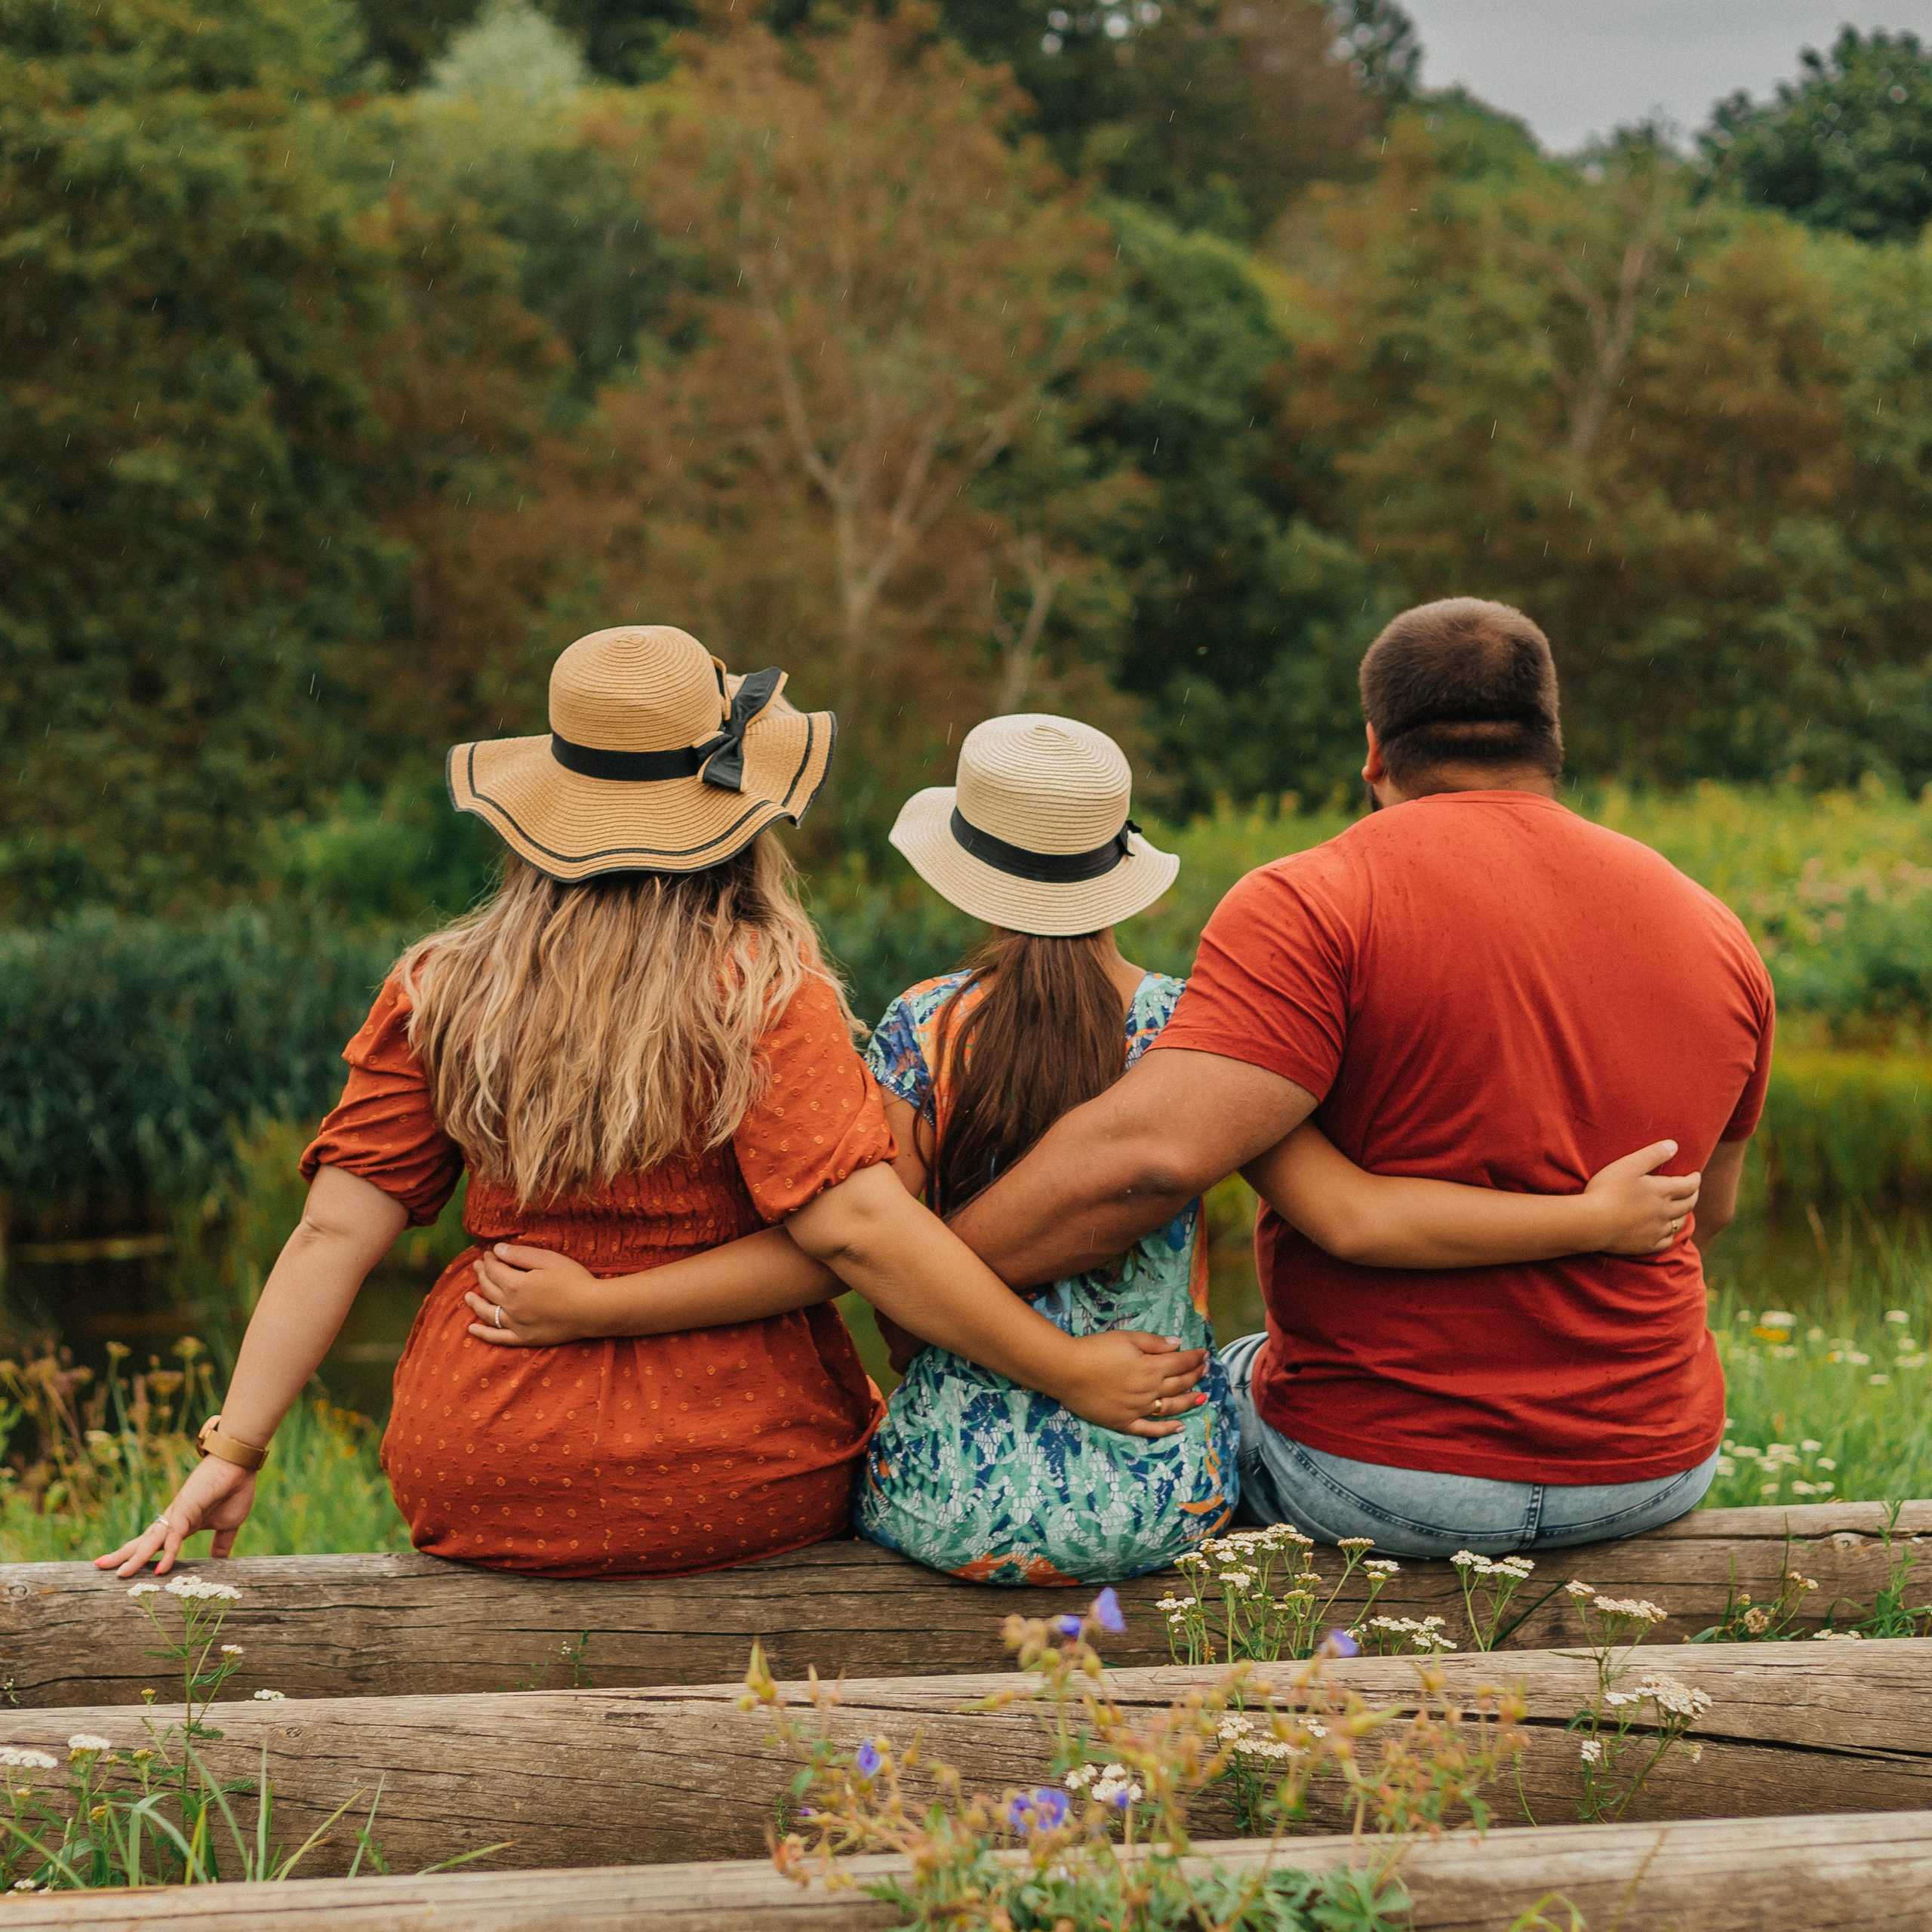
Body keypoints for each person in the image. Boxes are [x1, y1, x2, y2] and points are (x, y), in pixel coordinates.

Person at [460, 711, 1700, 1583]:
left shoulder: (915, 1028)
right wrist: (1587, 1221)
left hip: (940, 1504)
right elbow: (1354, 1215)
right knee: (1254, 1354)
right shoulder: (1193, 1031)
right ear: (1123, 871)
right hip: (1162, 1488)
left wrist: (603, 1302)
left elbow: (856, 1253)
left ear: (966, 875)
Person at [99, 626, 1207, 1582]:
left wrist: (233, 1451)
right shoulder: (765, 986)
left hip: (483, 1475)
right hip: (738, 1475)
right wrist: (1065, 1370)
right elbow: (857, 1235)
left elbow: (333, 1230)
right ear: (738, 808)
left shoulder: (440, 986)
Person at [943, 599, 1774, 1558]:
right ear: (1550, 739)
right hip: (1652, 1465)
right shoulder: (1716, 932)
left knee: (1196, 1391)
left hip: (1380, 1477)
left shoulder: (1314, 899)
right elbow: (1703, 1212)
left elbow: (1152, 1157)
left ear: (1375, 748)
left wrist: (934, 1277)